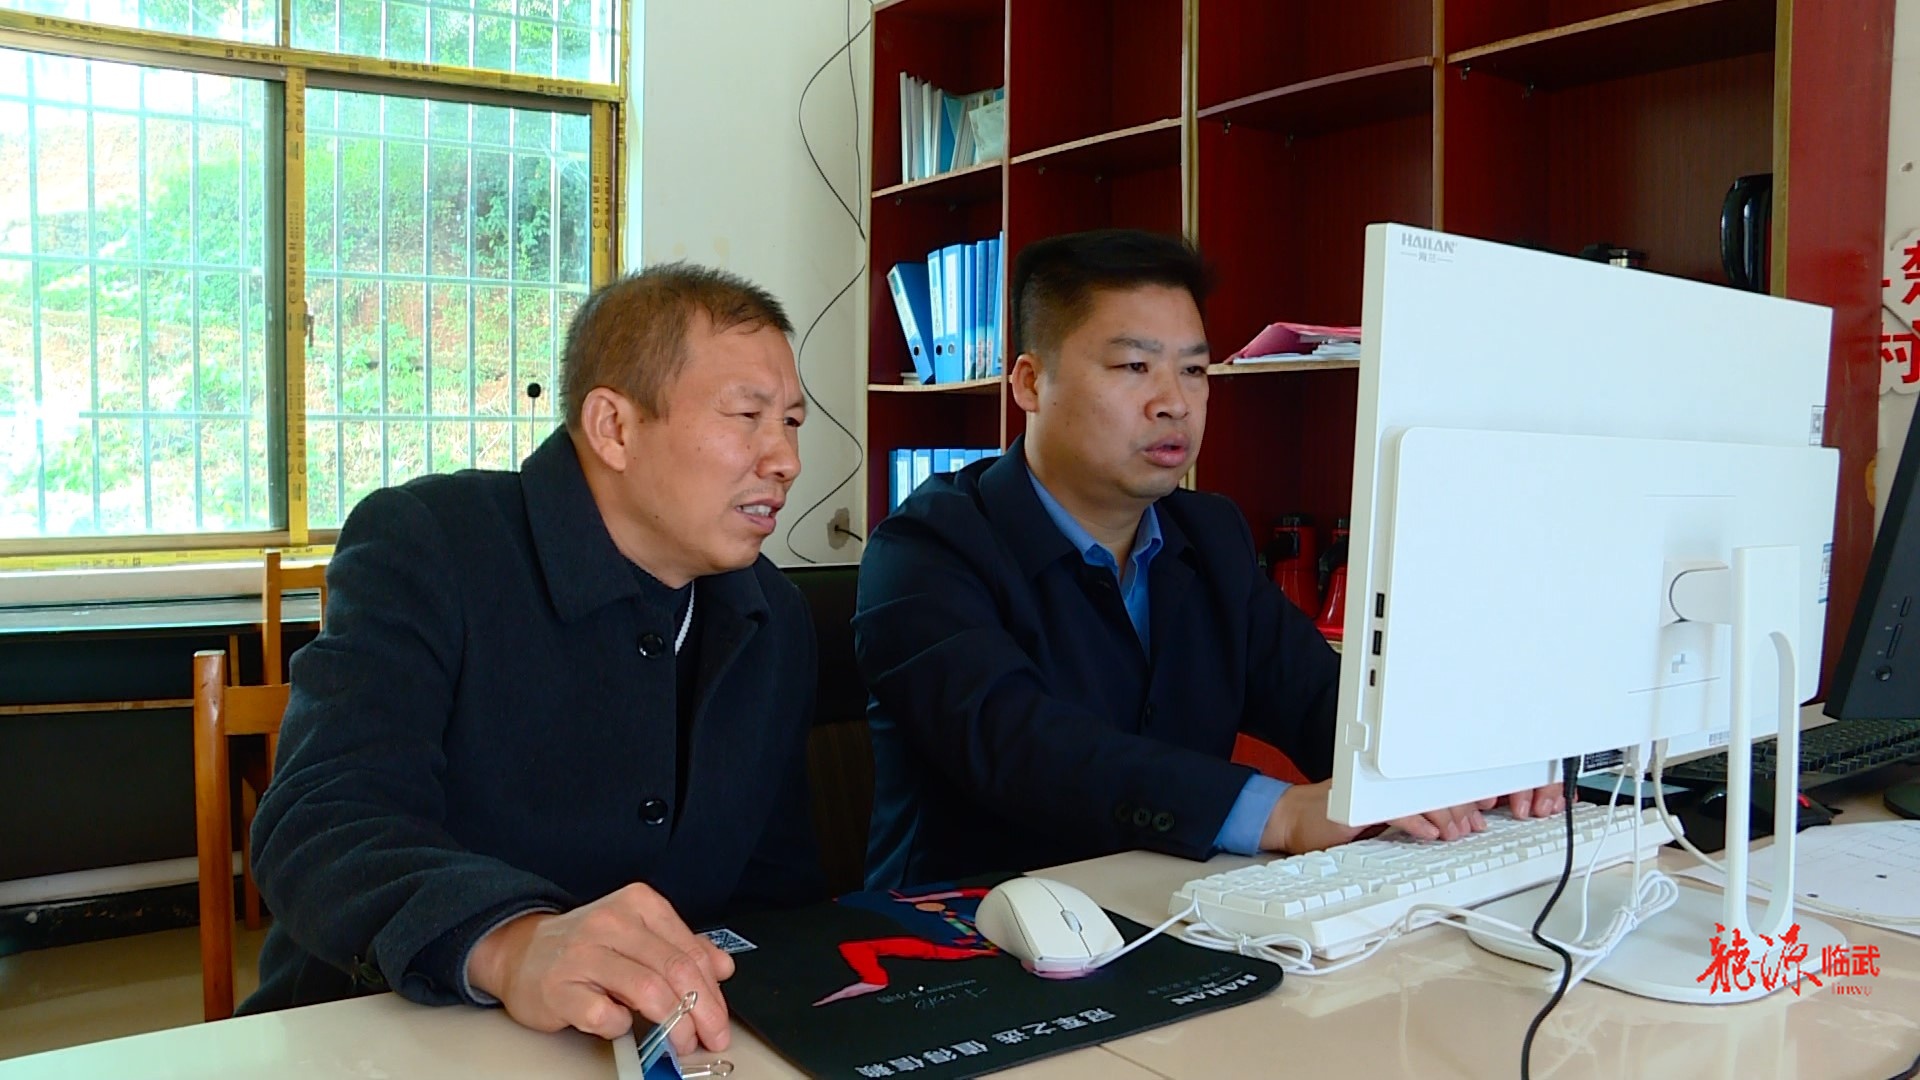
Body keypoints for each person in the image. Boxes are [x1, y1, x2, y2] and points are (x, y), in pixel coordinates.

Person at [854, 228, 1563, 890]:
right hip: (968, 932)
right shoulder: (924, 551)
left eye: (1194, 370)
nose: (1175, 403)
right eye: (1134, 366)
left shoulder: (1208, 534)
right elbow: (1023, 748)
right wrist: (1280, 813)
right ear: (1031, 383)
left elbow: (1321, 696)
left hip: (1170, 914)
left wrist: (1455, 765)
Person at [244, 263, 825, 1059]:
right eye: (748, 416)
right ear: (613, 427)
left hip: (657, 1046)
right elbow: (320, 821)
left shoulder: (770, 614)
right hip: (388, 1040)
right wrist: (512, 942)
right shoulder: (432, 543)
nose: (785, 458)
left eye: (791, 422)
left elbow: (778, 896)